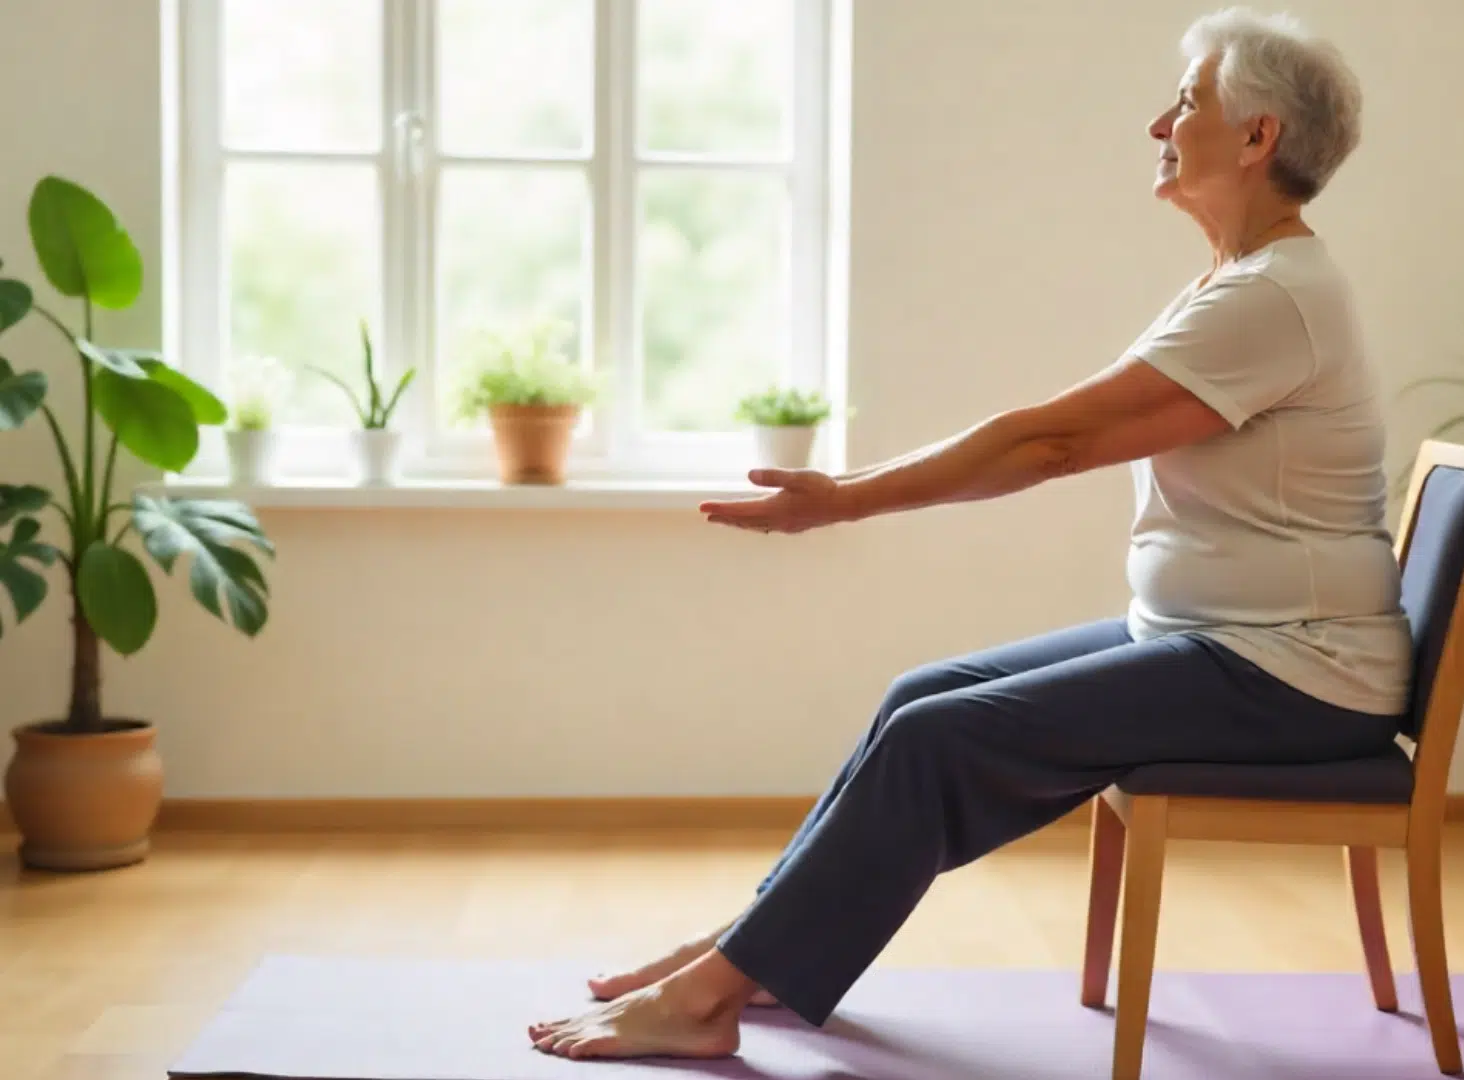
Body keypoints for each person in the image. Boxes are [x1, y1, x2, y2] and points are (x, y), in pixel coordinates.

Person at [528, 7, 1411, 1061]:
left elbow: (1047, 445)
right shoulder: (1246, 284)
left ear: (1258, 136)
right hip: (1234, 641)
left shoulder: (1274, 300)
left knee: (932, 741)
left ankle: (714, 992)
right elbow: (1056, 439)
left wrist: (844, 497)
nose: (1157, 123)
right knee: (924, 697)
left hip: (1290, 673)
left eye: (1188, 101)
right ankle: (752, 952)